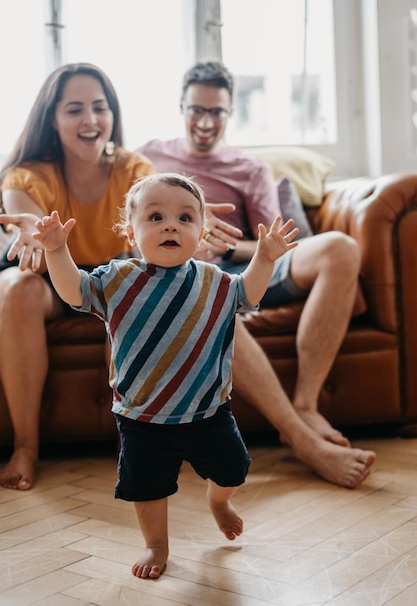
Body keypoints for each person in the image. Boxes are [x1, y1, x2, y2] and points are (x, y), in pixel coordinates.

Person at [32, 172, 299, 579]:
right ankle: (156, 544)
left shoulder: (216, 281)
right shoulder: (117, 279)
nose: (171, 225)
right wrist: (56, 251)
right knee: (148, 488)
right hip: (142, 417)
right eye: (155, 217)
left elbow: (250, 293)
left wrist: (264, 259)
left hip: (209, 411)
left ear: (202, 230)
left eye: (185, 218)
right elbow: (74, 292)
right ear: (130, 232)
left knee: (234, 470)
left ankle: (218, 501)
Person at [137, 61, 376, 489]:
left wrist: (226, 244)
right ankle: (303, 441)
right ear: (181, 107)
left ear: (230, 114)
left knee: (341, 247)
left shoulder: (250, 169)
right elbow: (132, 228)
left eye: (217, 112)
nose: (206, 122)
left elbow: (276, 240)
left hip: (248, 265)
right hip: (191, 272)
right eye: (197, 110)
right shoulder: (149, 157)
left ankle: (305, 403)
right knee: (207, 290)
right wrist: (189, 241)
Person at [0, 62, 157, 491]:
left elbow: (158, 223)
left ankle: (136, 446)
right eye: (74, 110)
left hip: (111, 277)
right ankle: (25, 447)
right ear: (52, 119)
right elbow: (26, 223)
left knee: (151, 282)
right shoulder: (28, 174)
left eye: (99, 107)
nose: (90, 120)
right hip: (52, 272)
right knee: (13, 286)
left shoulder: (135, 169)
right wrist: (31, 233)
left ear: (112, 114)